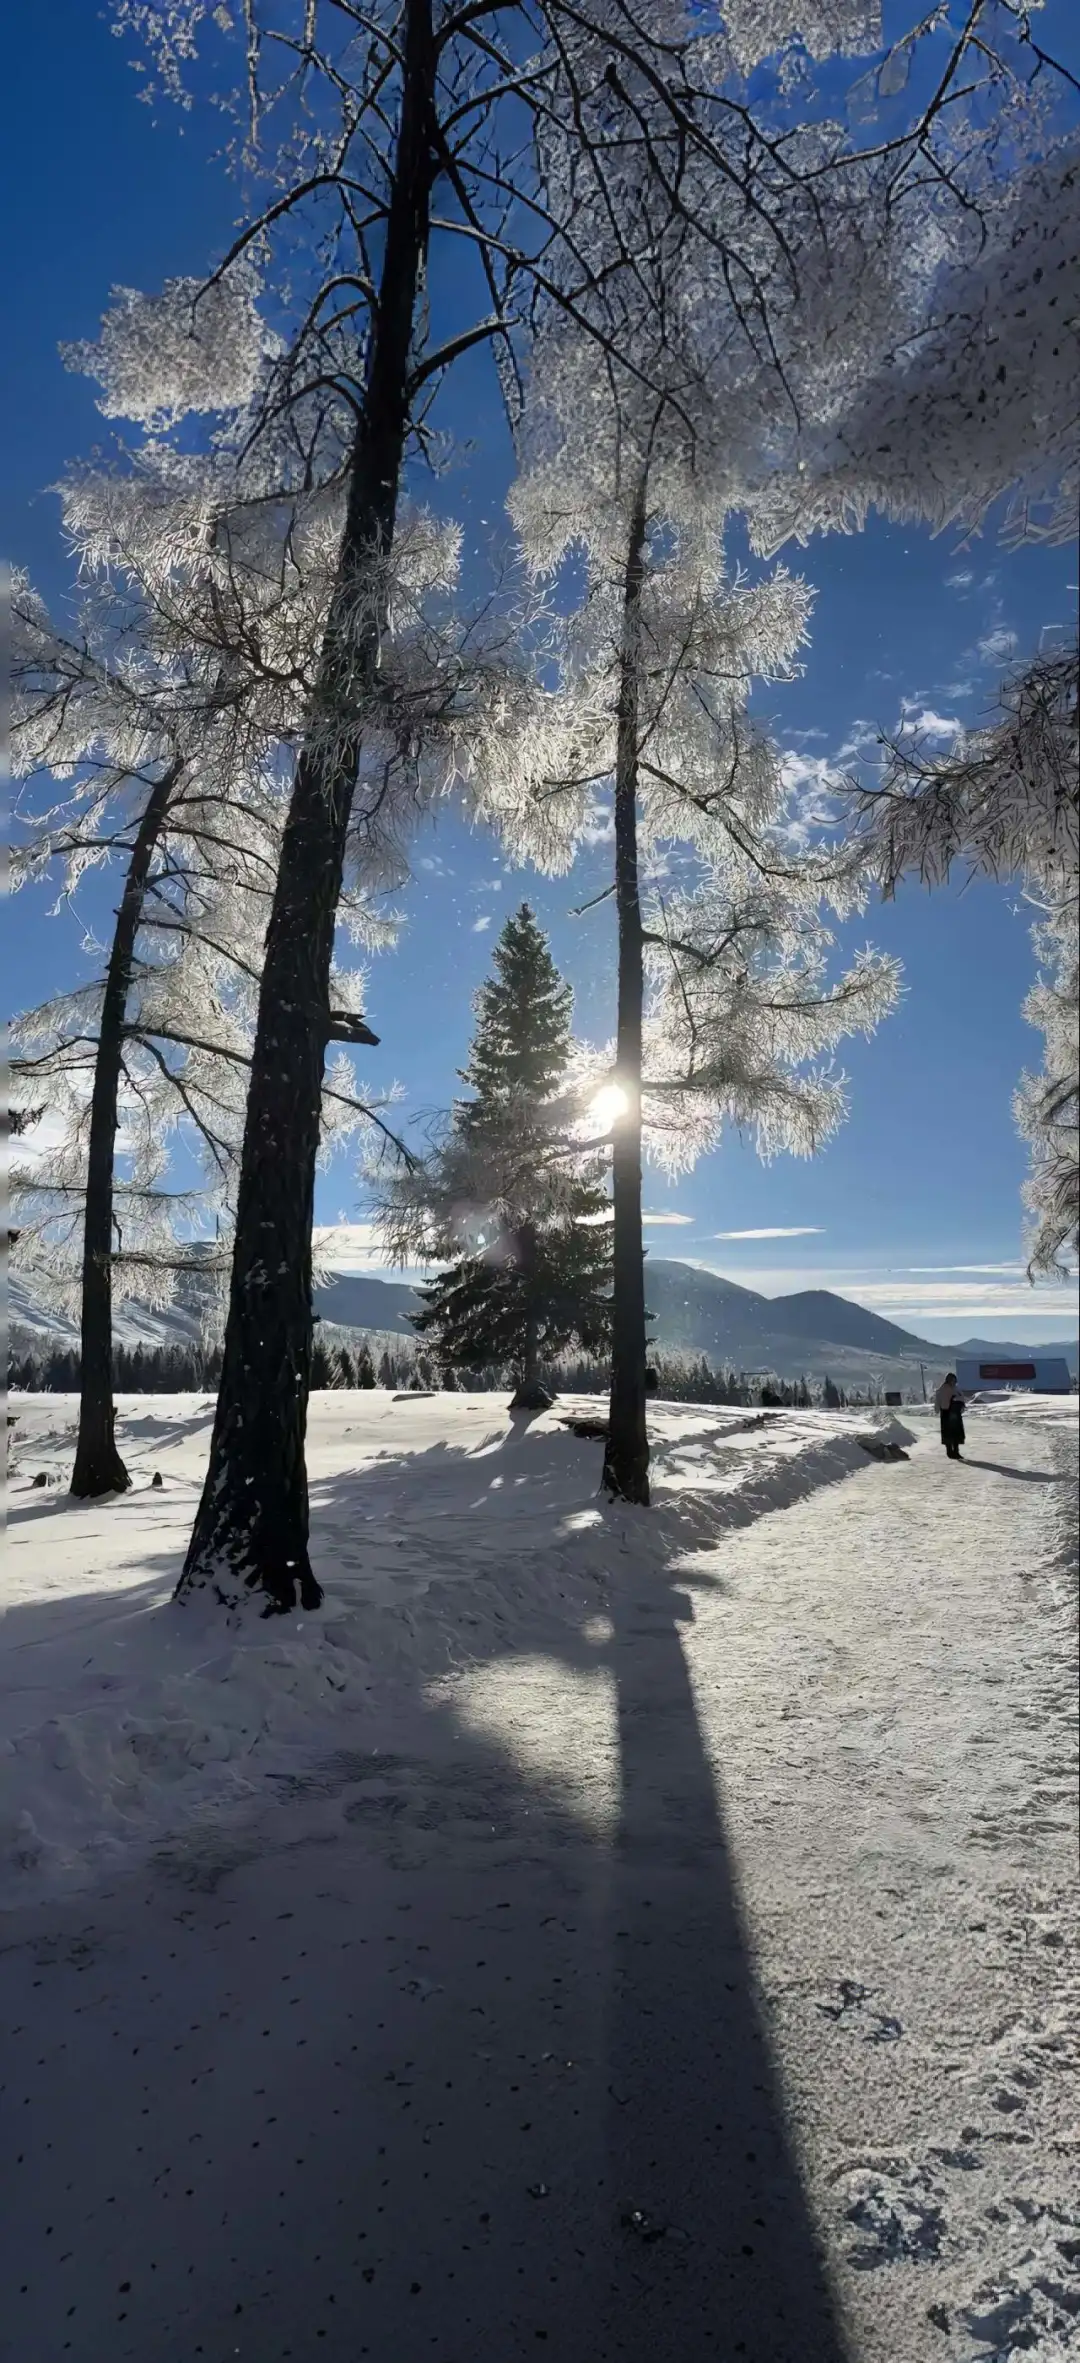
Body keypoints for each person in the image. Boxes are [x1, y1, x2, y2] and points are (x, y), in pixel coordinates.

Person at [934, 1371, 966, 1459]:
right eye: (952, 1380)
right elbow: (938, 1400)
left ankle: (956, 1451)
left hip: (955, 1413)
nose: (954, 1382)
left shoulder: (956, 1389)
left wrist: (961, 1405)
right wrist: (937, 1409)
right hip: (946, 1413)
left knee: (956, 1433)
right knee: (948, 1433)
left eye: (955, 1380)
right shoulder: (942, 1389)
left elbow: (962, 1398)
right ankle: (949, 1451)